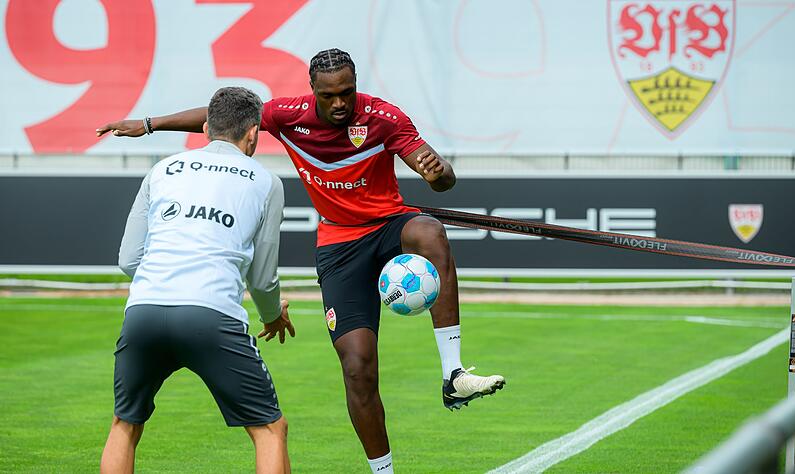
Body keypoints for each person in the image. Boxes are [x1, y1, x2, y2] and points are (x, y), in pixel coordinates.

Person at [96, 48, 505, 474]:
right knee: (357, 367)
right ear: (313, 92)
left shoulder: (384, 117)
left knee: (429, 230)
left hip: (388, 226)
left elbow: (442, 181)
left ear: (356, 84)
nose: (340, 103)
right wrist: (148, 125)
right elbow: (223, 117)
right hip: (339, 246)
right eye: (329, 96)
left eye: (347, 92)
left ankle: (453, 374)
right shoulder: (286, 115)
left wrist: (439, 174)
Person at [100, 86, 294, 474]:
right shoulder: (266, 182)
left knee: (125, 424)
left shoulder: (162, 169)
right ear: (254, 133)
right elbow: (261, 277)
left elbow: (127, 260)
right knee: (270, 429)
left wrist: (166, 279)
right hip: (211, 316)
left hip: (144, 310)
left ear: (206, 127)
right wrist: (272, 316)